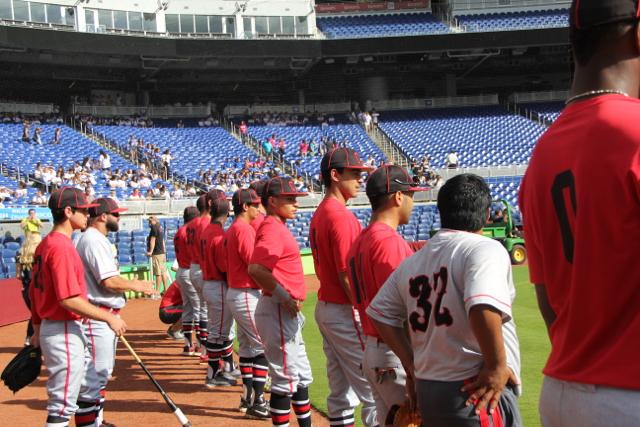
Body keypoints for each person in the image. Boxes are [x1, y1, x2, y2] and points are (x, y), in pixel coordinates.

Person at [519, 1, 640, 425]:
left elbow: (547, 300)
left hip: (562, 392)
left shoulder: (542, 150)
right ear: (636, 34)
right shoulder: (635, 130)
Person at [368, 174, 522, 427]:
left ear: (442, 212)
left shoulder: (413, 261)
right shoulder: (484, 248)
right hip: (474, 392)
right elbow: (481, 306)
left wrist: (412, 365)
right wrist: (496, 366)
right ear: (485, 215)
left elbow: (379, 313)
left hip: (430, 388)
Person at [28, 187, 126, 427]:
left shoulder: (46, 244)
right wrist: (108, 318)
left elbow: (34, 292)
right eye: (83, 211)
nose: (87, 216)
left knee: (81, 391)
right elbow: (68, 299)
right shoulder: (61, 246)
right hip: (63, 328)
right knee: (62, 406)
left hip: (57, 327)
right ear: (68, 211)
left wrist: (38, 329)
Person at [344, 165, 426, 425]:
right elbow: (401, 310)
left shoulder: (361, 240)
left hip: (374, 350)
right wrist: (412, 365)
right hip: (394, 353)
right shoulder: (388, 242)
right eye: (410, 194)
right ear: (398, 197)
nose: (413, 201)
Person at [309, 148, 378, 427]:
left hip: (327, 308)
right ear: (335, 175)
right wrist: (367, 314)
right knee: (375, 393)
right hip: (345, 310)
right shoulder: (340, 216)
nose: (360, 180)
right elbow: (348, 276)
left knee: (340, 394)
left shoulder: (322, 212)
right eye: (355, 174)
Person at [74, 198, 156, 426]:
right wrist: (138, 285)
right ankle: (89, 423)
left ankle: (96, 420)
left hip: (103, 314)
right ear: (102, 216)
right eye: (116, 214)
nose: (119, 218)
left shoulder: (93, 239)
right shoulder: (93, 239)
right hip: (98, 313)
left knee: (100, 373)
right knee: (95, 375)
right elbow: (108, 281)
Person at [248, 177, 313, 427]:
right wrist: (284, 296)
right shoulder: (272, 228)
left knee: (301, 376)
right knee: (285, 379)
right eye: (290, 199)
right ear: (272, 201)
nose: (295, 204)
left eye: (295, 199)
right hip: (276, 309)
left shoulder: (277, 226)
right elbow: (256, 269)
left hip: (284, 312)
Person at [226, 188, 269, 418]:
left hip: (237, 292)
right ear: (245, 207)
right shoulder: (243, 229)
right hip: (245, 293)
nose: (259, 208)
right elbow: (254, 265)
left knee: (248, 349)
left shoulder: (235, 228)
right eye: (255, 204)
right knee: (262, 346)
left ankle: (248, 397)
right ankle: (258, 402)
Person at [200, 189, 237, 386]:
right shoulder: (217, 234)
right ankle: (213, 375)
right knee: (218, 333)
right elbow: (223, 266)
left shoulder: (207, 230)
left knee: (217, 331)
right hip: (217, 284)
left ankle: (219, 370)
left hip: (208, 283)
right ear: (227, 212)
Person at [174, 206, 203, 355]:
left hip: (181, 271)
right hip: (188, 270)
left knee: (188, 308)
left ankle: (187, 345)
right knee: (198, 308)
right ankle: (199, 345)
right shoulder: (190, 231)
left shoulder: (179, 231)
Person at [16, 230, 41, 345]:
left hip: (26, 290)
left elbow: (18, 276)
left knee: (35, 314)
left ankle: (30, 338)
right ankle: (32, 338)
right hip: (37, 289)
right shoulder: (39, 254)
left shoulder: (20, 254)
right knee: (39, 314)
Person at [147, 216, 169, 296]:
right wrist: (164, 250)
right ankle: (166, 290)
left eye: (149, 221)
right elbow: (162, 240)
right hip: (162, 252)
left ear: (153, 221)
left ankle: (157, 291)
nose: (149, 223)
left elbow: (153, 240)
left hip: (157, 253)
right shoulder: (160, 226)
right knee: (163, 272)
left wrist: (150, 251)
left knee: (158, 273)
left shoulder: (154, 227)